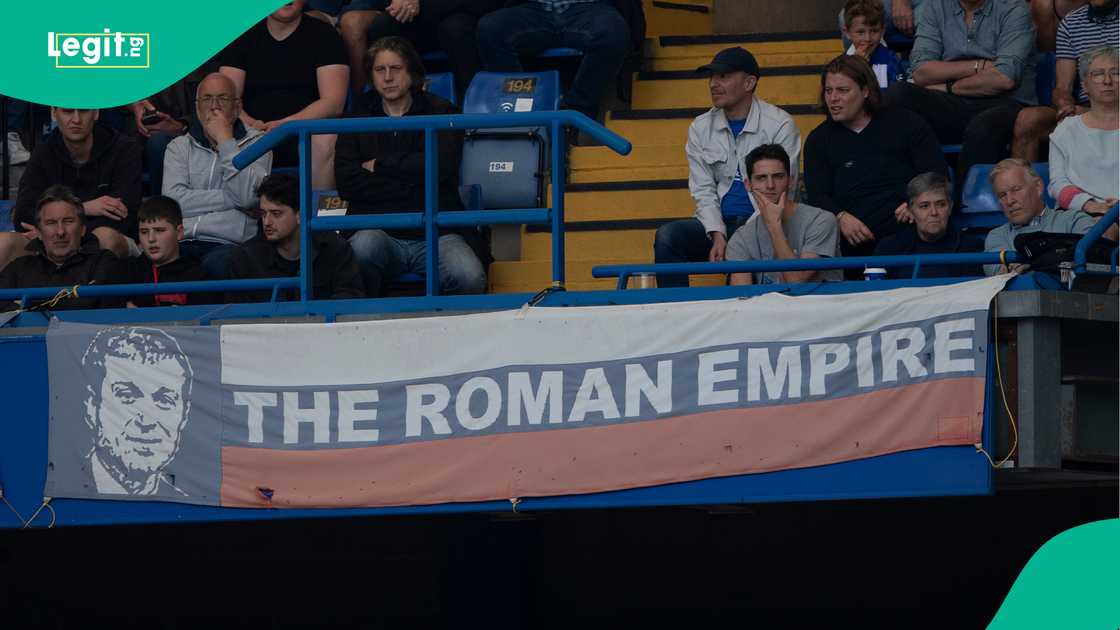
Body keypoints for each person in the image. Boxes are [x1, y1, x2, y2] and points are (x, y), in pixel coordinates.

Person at [335, 36, 486, 295]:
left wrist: (380, 165)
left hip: (437, 233)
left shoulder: (442, 111)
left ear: (412, 72)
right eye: (380, 70)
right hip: (378, 231)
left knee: (469, 276)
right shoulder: (356, 116)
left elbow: (440, 168)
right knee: (361, 250)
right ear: (371, 76)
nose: (388, 77)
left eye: (396, 68)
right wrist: (413, 181)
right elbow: (347, 182)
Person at [652, 47, 802, 288]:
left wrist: (740, 240)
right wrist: (717, 232)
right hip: (718, 223)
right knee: (668, 237)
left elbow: (783, 192)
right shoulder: (700, 127)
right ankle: (676, 314)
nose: (713, 84)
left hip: (765, 223)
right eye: (712, 77)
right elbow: (703, 190)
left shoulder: (780, 124)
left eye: (723, 76)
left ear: (749, 82)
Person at [884, 0, 1037, 207]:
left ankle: (963, 204)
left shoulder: (1014, 9)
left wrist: (946, 85)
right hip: (954, 103)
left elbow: (1005, 77)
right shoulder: (934, 7)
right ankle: (923, 193)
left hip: (1005, 102)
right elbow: (920, 71)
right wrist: (979, 66)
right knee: (898, 94)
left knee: (983, 126)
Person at [804, 55, 947, 259]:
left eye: (842, 90)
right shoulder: (818, 140)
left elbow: (936, 175)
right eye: (828, 91)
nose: (833, 99)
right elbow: (817, 195)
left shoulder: (906, 123)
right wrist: (840, 217)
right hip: (850, 243)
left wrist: (913, 204)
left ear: (865, 91)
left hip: (907, 234)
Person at [219, 0, 348, 187]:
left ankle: (319, 215)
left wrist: (286, 125)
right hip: (250, 132)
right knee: (218, 126)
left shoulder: (324, 34)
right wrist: (254, 126)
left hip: (302, 132)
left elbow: (333, 102)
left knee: (326, 138)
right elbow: (227, 97)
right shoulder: (241, 34)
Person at [162, 73, 273, 280]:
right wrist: (232, 199)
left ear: (237, 108)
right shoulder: (179, 146)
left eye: (222, 98)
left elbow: (249, 197)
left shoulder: (259, 144)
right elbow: (173, 204)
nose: (214, 106)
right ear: (197, 108)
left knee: (218, 265)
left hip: (228, 245)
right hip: (181, 241)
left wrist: (225, 140)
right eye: (206, 99)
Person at [3, 107, 141, 268]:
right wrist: (84, 208)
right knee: (4, 243)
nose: (76, 119)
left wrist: (58, 230)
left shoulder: (124, 149)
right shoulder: (44, 151)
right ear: (54, 113)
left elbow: (123, 215)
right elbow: (23, 214)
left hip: (103, 240)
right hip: (51, 239)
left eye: (83, 111)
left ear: (96, 113)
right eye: (68, 111)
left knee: (105, 237)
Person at [81, 327, 193, 496]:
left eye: (164, 400)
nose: (147, 421)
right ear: (92, 406)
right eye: (127, 395)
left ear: (184, 415)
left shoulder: (185, 500)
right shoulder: (69, 484)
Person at [476, 0, 631, 124]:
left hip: (588, 8)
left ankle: (576, 113)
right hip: (534, 8)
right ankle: (521, 108)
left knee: (613, 32)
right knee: (490, 29)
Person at [228, 174, 366, 301]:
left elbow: (348, 299)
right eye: (263, 213)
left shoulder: (335, 248)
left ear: (300, 215)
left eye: (276, 213)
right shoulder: (245, 257)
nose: (266, 222)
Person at [1014, 0, 1118, 161]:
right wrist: (1065, 106)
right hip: (1086, 108)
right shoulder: (1071, 23)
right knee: (1029, 120)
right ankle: (1022, 183)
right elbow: (1063, 87)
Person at [339, 0, 504, 98]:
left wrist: (420, 3)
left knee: (455, 29)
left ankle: (471, 110)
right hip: (418, 17)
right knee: (384, 26)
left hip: (461, 13)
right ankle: (389, 109)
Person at [726, 144, 841, 285]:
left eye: (778, 176)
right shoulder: (741, 238)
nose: (770, 185)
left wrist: (774, 226)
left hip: (819, 305)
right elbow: (741, 298)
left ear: (790, 181)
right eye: (761, 178)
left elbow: (796, 282)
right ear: (748, 185)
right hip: (768, 306)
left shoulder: (821, 220)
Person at [0, 186, 128, 311]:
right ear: (38, 232)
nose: (60, 232)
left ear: (83, 229)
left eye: (68, 221)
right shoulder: (18, 269)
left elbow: (110, 312)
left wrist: (32, 306)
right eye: (51, 223)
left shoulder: (105, 262)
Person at [983, 158, 1117, 274]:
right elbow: (997, 272)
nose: (1010, 200)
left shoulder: (1074, 220)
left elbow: (1095, 255)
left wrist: (1033, 264)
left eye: (1016, 190)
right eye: (1002, 195)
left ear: (1038, 187)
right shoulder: (997, 236)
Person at [873, 172, 985, 278]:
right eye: (924, 206)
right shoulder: (888, 249)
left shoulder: (972, 248)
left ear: (950, 207)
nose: (934, 212)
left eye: (941, 204)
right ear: (910, 211)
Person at [1048, 46, 1119, 213]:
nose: (1107, 81)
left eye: (1116, 72)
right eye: (1098, 74)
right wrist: (1093, 207)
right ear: (1085, 85)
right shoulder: (1065, 131)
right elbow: (1057, 184)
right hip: (1081, 215)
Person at [128, 196, 221, 307]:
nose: (151, 239)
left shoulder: (199, 278)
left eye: (159, 230)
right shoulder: (127, 272)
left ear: (179, 232)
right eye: (144, 232)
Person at [843, 0, 905, 88]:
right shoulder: (840, 65)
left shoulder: (891, 60)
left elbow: (898, 95)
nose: (868, 38)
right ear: (847, 33)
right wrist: (856, 67)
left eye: (874, 31)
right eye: (860, 32)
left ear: (882, 31)